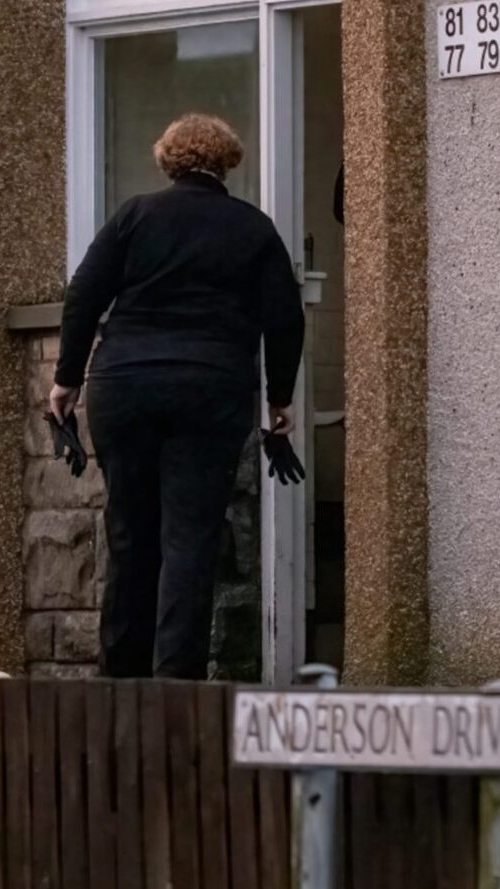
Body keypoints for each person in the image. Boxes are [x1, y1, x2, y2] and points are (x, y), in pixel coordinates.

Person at [49, 113, 304, 680]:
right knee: (190, 539)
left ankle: (120, 686)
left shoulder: (135, 216)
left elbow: (83, 295)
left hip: (124, 386)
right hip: (208, 389)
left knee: (130, 535)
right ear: (226, 163)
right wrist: (280, 399)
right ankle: (175, 692)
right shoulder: (251, 228)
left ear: (167, 161)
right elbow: (285, 318)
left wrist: (66, 380)